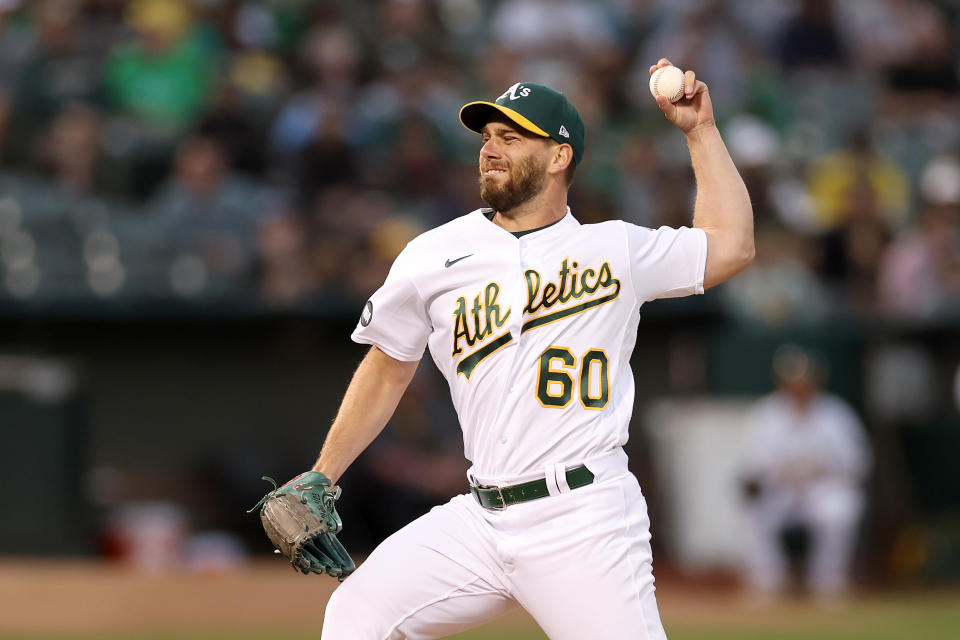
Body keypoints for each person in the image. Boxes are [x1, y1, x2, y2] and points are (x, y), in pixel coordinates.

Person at [304, 58, 753, 639]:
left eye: (511, 137)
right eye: (487, 137)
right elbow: (387, 367)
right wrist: (323, 474)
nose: (490, 149)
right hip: (481, 518)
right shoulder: (432, 255)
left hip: (583, 517)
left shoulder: (613, 250)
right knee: (357, 612)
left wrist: (700, 131)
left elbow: (731, 245)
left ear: (559, 156)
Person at [741, 345, 872, 599]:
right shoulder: (766, 414)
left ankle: (829, 582)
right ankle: (767, 581)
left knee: (841, 509)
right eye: (793, 380)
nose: (799, 387)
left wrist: (824, 473)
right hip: (780, 490)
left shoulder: (837, 414)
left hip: (822, 489)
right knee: (752, 509)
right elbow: (751, 468)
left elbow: (859, 465)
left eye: (805, 380)